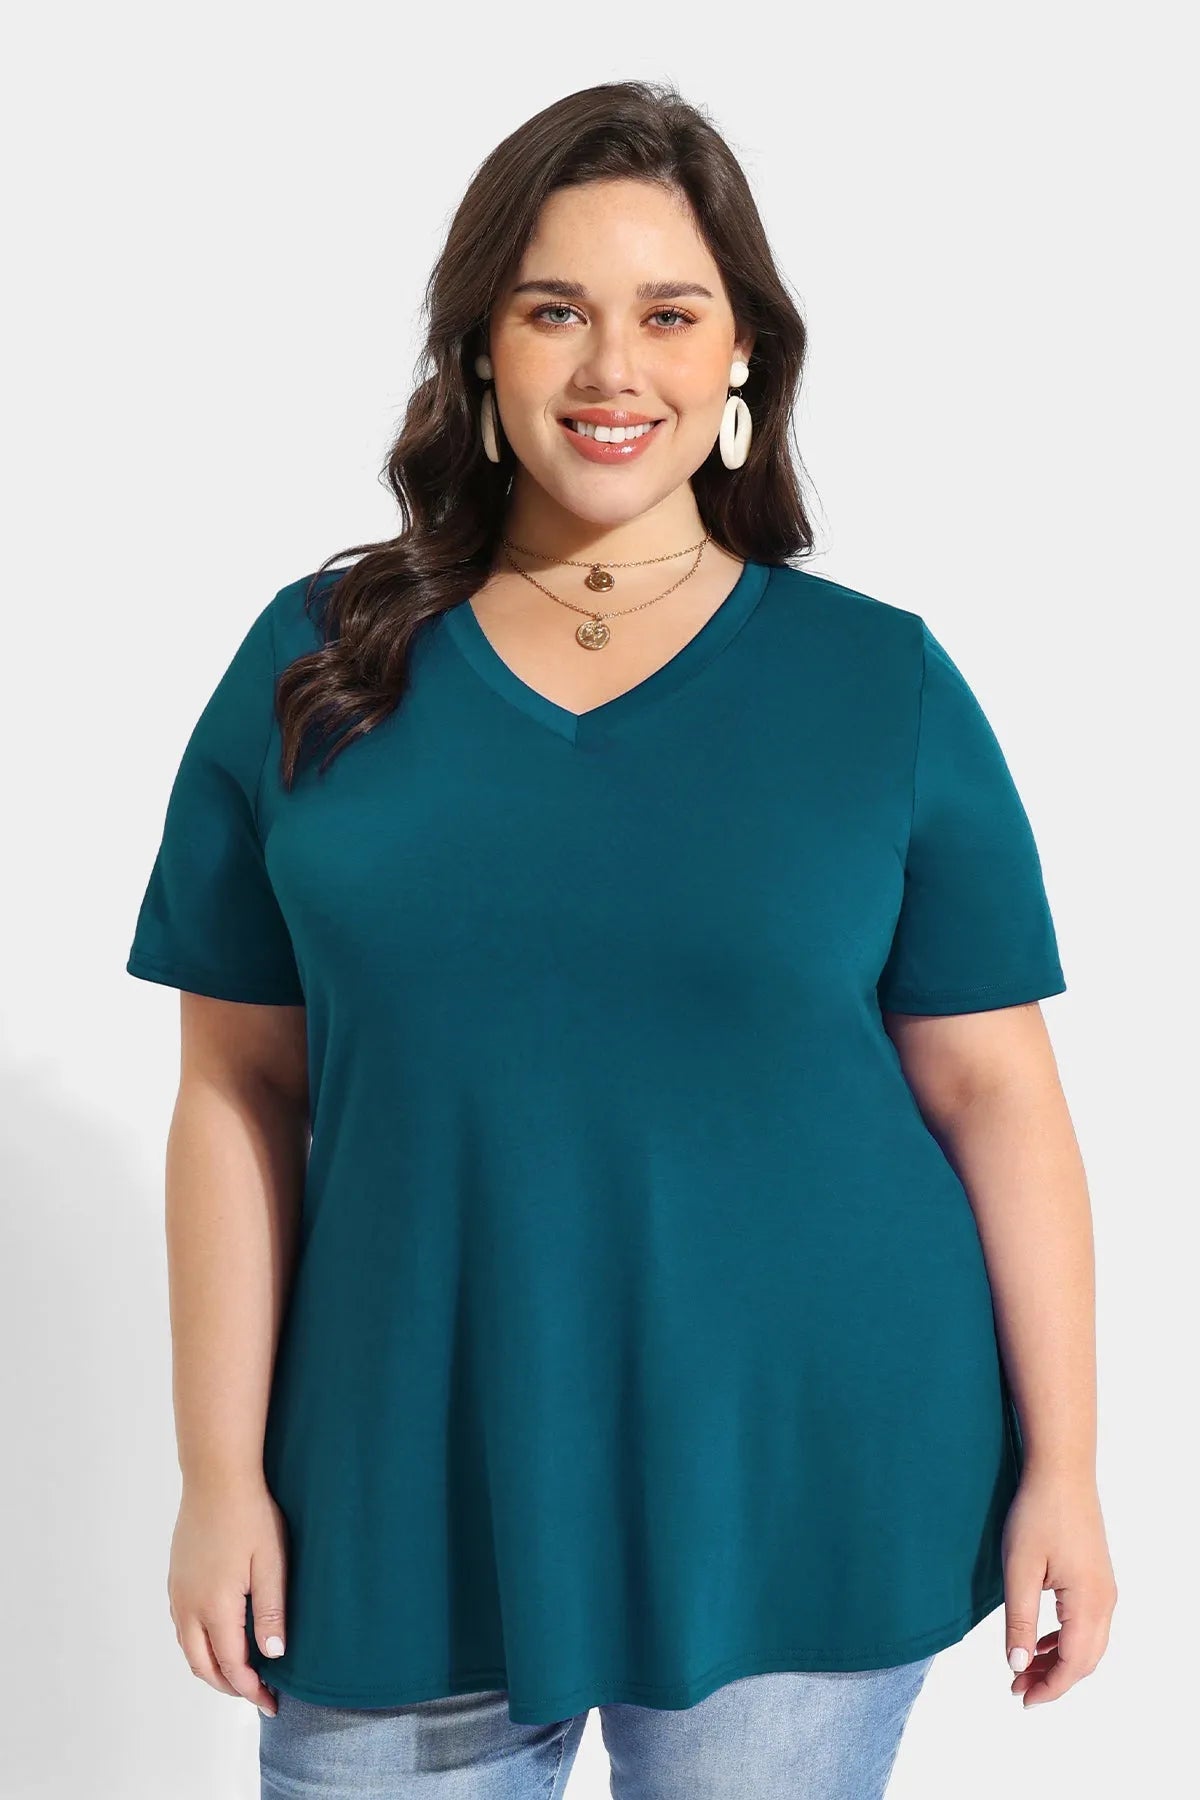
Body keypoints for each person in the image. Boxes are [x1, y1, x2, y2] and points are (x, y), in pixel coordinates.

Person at [125, 79, 1117, 1800]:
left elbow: (996, 1095)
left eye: (669, 313)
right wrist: (219, 1473)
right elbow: (235, 1090)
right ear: (478, 351)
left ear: (742, 358)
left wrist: (1069, 1470)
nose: (612, 368)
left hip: (801, 1480)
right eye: (553, 310)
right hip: (399, 1483)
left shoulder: (874, 685)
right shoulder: (314, 668)